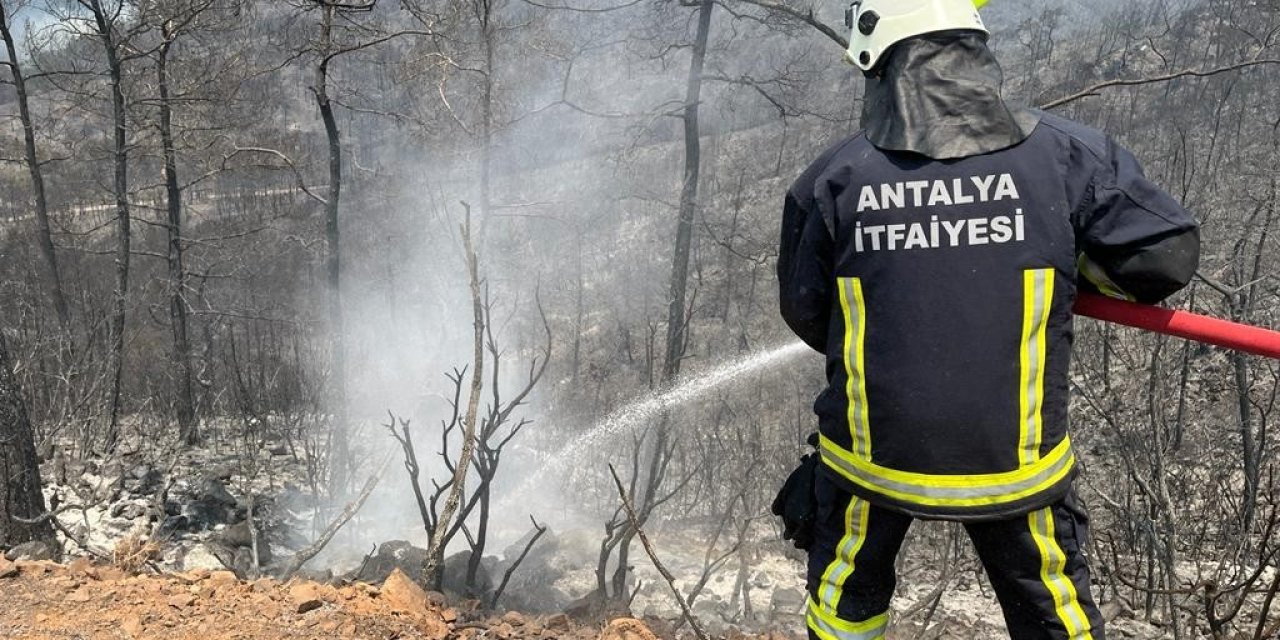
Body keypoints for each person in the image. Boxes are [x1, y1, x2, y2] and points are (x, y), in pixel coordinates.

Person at [773, 1, 1201, 638]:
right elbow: (1163, 259)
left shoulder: (836, 177)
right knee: (1053, 611)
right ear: (976, 51)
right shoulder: (1068, 156)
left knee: (845, 600)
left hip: (871, 463)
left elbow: (807, 311)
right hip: (1016, 466)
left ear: (881, 62)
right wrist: (1072, 270)